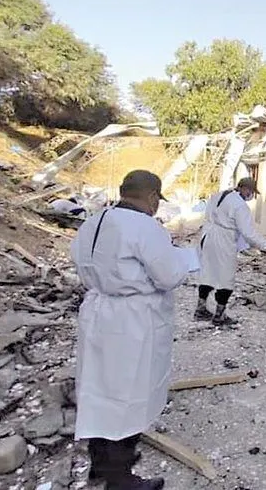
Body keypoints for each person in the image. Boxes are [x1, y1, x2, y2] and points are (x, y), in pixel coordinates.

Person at [70, 170, 190, 490]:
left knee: (99, 390)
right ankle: (120, 480)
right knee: (128, 395)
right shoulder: (145, 227)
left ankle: (101, 465)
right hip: (132, 319)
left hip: (97, 311)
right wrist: (182, 261)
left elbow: (80, 262)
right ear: (152, 197)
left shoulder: (94, 221)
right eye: (157, 201)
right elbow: (167, 276)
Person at [194, 177, 266, 326]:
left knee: (208, 273)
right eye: (250, 191)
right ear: (245, 189)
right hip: (224, 240)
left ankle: (201, 308)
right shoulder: (239, 205)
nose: (250, 195)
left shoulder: (219, 195)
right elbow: (248, 233)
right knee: (226, 277)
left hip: (209, 235)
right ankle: (219, 315)